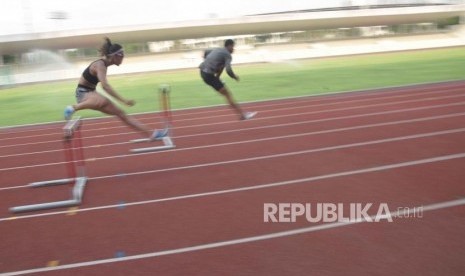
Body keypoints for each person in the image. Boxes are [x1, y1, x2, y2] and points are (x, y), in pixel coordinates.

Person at [64, 37, 166, 139]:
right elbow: (105, 87)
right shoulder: (100, 65)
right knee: (103, 101)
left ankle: (152, 134)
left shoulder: (104, 65)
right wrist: (124, 100)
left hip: (91, 92)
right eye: (122, 56)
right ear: (115, 56)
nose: (123, 58)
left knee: (121, 114)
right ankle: (73, 108)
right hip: (83, 93)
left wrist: (123, 102)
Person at [199, 39, 257, 120]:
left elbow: (206, 52)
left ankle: (242, 114)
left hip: (203, 72)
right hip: (208, 75)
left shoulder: (217, 50)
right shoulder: (227, 55)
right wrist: (234, 76)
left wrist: (207, 62)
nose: (233, 49)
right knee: (227, 94)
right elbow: (228, 70)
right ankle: (242, 115)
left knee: (221, 66)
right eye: (233, 47)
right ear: (229, 46)